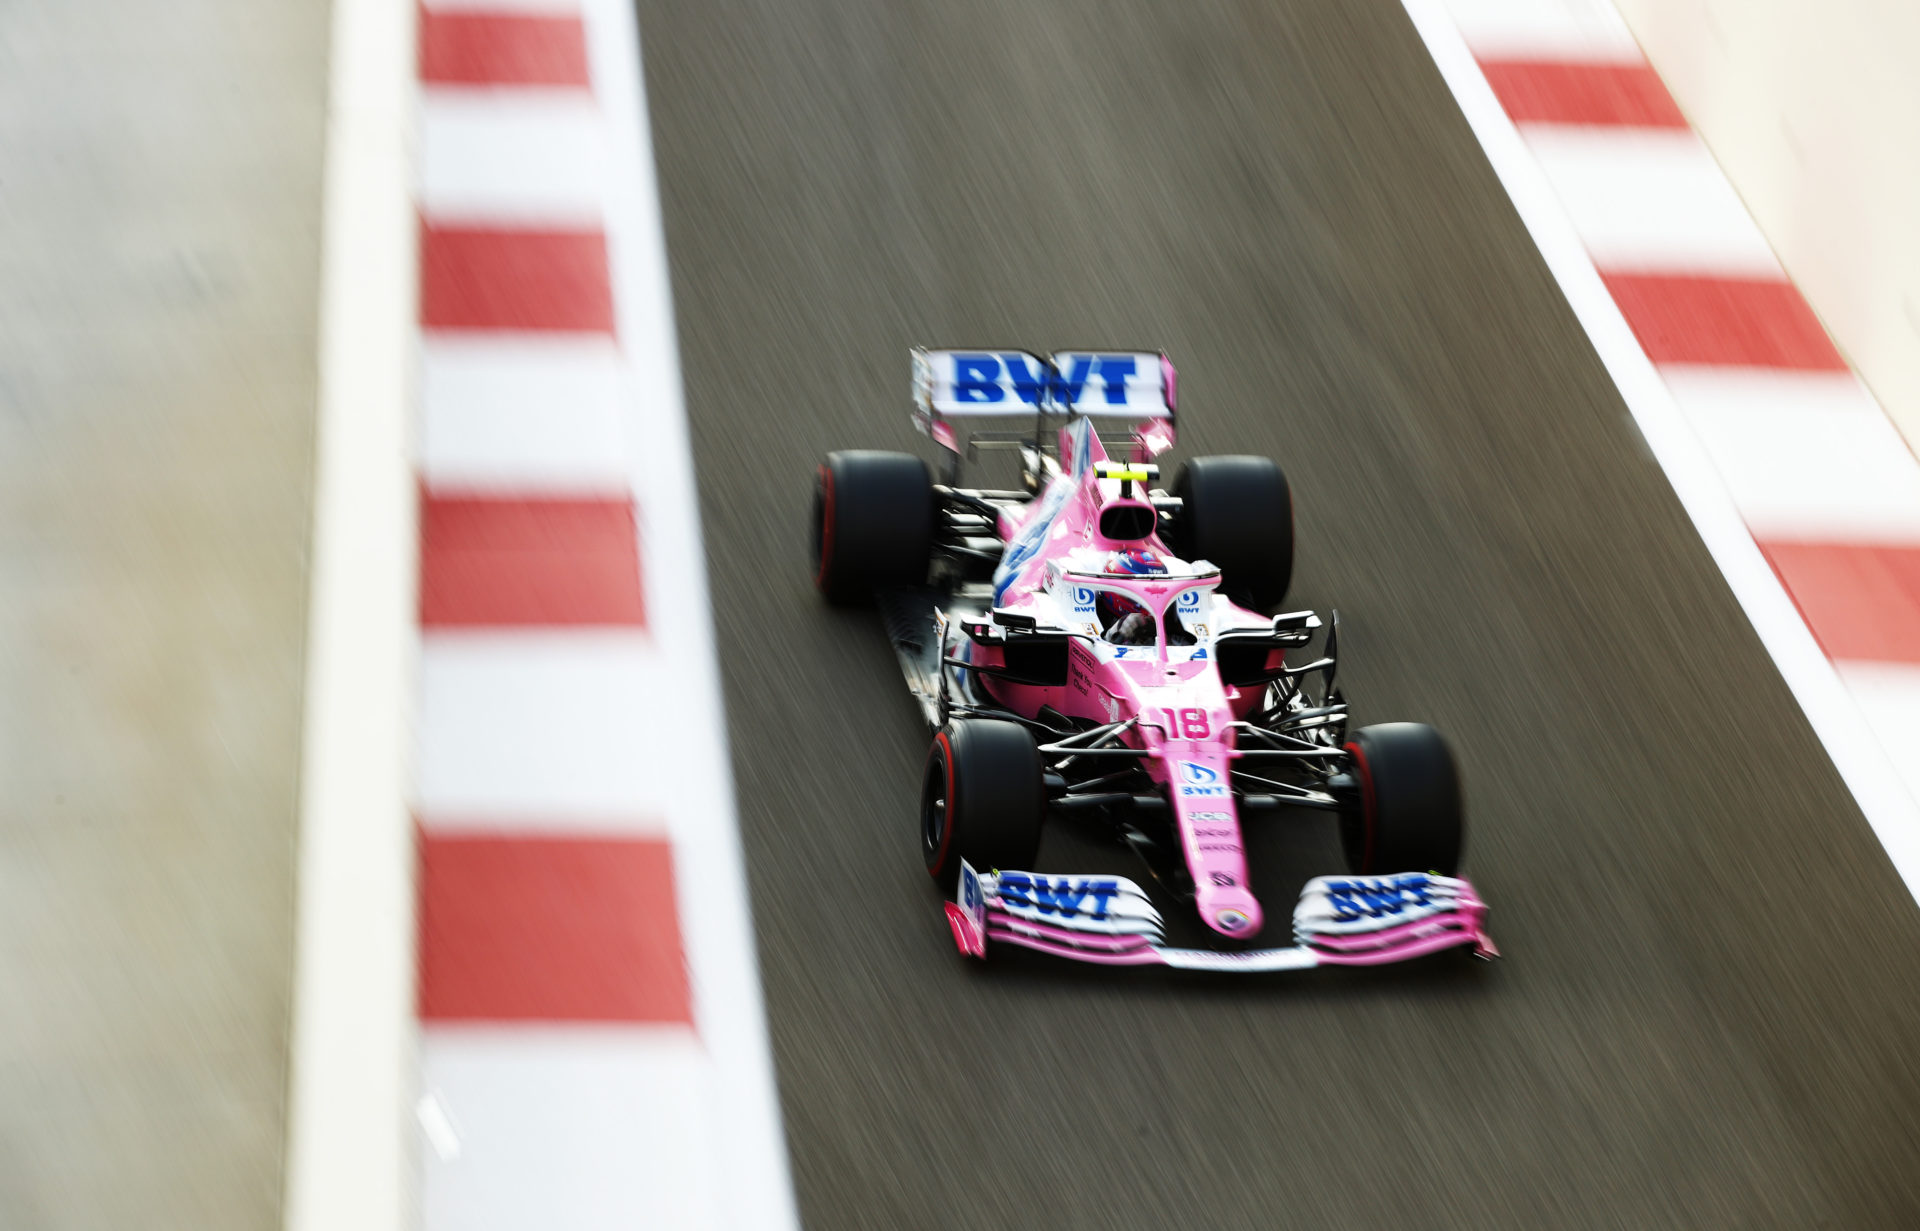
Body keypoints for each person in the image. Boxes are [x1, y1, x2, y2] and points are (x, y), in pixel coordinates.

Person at [1096, 548, 1167, 645]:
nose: (1150, 597)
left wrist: (1154, 629)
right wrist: (1117, 631)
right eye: (1140, 590)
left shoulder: (1171, 613)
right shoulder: (1095, 610)